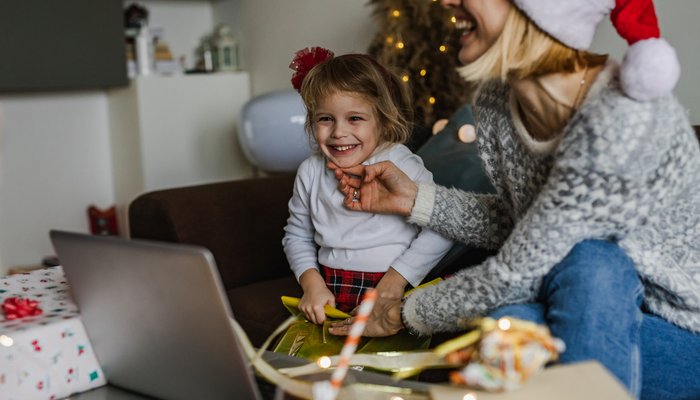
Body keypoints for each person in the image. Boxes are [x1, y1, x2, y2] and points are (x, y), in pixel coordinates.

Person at [327, 1, 700, 399]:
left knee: (592, 258)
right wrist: (415, 200)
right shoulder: (496, 104)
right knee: (510, 321)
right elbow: (525, 226)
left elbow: (517, 270)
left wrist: (402, 312)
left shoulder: (621, 121)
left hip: (679, 330)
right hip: (586, 307)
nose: (449, 1)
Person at [282, 48, 453, 325]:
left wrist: (397, 280)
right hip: (332, 294)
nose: (338, 132)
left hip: (395, 290)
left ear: (383, 120)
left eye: (355, 118)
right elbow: (297, 236)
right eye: (325, 118)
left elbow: (442, 227)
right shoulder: (310, 171)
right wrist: (311, 284)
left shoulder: (401, 164)